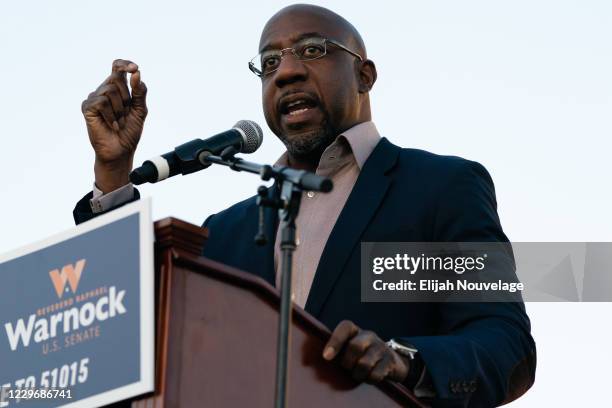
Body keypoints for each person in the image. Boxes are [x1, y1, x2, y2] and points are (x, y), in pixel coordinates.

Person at [74, 4, 536, 406]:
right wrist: (113, 174)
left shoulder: (439, 188)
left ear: (364, 74)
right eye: (270, 61)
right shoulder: (225, 233)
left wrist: (403, 360)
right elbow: (124, 341)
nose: (287, 71)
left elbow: (506, 345)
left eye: (313, 50)